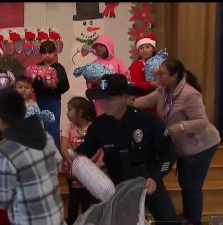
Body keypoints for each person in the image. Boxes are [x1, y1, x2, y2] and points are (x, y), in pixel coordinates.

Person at [75, 74, 179, 224]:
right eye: (102, 99)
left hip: (147, 179)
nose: (104, 103)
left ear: (124, 98)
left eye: (109, 98)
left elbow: (169, 152)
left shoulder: (146, 120)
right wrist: (72, 157)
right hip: (117, 183)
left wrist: (156, 177)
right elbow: (85, 150)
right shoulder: (99, 125)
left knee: (168, 220)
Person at [134, 59, 221, 225]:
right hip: (183, 146)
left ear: (174, 76)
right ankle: (189, 214)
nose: (157, 75)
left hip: (200, 145)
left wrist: (180, 126)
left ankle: (193, 220)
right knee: (185, 181)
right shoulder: (163, 90)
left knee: (191, 184)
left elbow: (202, 122)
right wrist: (127, 103)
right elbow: (146, 101)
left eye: (162, 73)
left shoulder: (189, 94)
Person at [0, 90, 65, 225]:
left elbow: (2, 199)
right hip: (55, 216)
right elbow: (58, 163)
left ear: (0, 118)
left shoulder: (4, 150)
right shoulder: (46, 136)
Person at [61, 96, 103, 225]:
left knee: (87, 200)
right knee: (73, 200)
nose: (67, 113)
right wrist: (73, 164)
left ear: (80, 113)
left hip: (89, 171)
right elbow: (63, 148)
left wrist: (86, 165)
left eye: (70, 110)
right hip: (72, 172)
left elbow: (98, 149)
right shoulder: (69, 127)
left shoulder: (93, 127)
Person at [32, 40, 70, 149]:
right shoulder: (37, 68)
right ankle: (42, 152)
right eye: (44, 53)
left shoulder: (59, 68)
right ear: (41, 54)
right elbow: (33, 85)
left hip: (54, 101)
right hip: (41, 101)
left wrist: (56, 86)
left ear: (55, 53)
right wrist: (43, 85)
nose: (47, 55)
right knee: (42, 127)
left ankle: (56, 155)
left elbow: (66, 86)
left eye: (49, 52)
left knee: (53, 128)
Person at [87, 35, 130, 116]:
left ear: (108, 46)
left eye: (101, 46)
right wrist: (94, 83)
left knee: (116, 119)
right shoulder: (93, 64)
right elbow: (89, 83)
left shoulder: (118, 62)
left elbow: (125, 77)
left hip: (116, 97)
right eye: (97, 46)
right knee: (102, 120)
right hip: (100, 99)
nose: (98, 48)